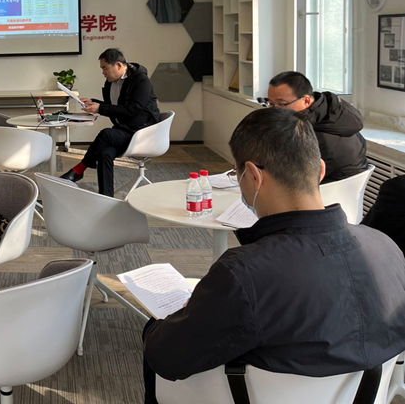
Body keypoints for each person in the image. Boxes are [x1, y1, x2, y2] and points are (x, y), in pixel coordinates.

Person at [142, 109, 405, 403]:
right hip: (365, 395)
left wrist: (186, 313)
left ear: (253, 176)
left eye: (237, 175)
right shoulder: (386, 247)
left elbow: (164, 358)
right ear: (320, 170)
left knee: (157, 329)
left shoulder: (243, 272)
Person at [61, 48, 159, 197]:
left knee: (106, 134)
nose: (103, 73)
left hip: (142, 132)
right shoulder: (110, 83)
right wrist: (95, 103)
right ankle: (106, 197)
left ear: (118, 65)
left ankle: (79, 169)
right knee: (104, 153)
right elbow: (115, 107)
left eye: (105, 68)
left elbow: (133, 110)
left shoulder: (140, 80)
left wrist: (100, 108)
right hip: (124, 130)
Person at [266, 71, 368, 183]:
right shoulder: (329, 111)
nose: (274, 111)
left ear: (306, 100)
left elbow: (292, 177)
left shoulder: (317, 136)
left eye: (281, 104)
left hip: (330, 188)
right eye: (271, 104)